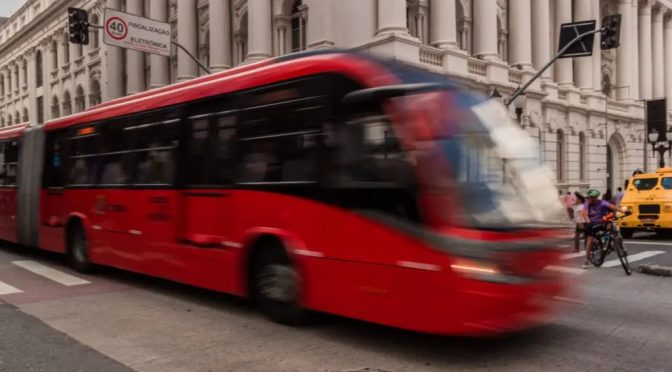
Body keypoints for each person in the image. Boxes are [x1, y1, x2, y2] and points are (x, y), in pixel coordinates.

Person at [582, 189, 616, 269]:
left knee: (610, 226)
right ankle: (586, 260)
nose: (588, 199)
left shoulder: (603, 203)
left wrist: (625, 211)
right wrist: (588, 222)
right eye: (588, 198)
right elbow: (585, 214)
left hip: (602, 221)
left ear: (595, 198)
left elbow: (613, 208)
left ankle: (608, 243)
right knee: (590, 240)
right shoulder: (587, 205)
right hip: (592, 223)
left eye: (589, 198)